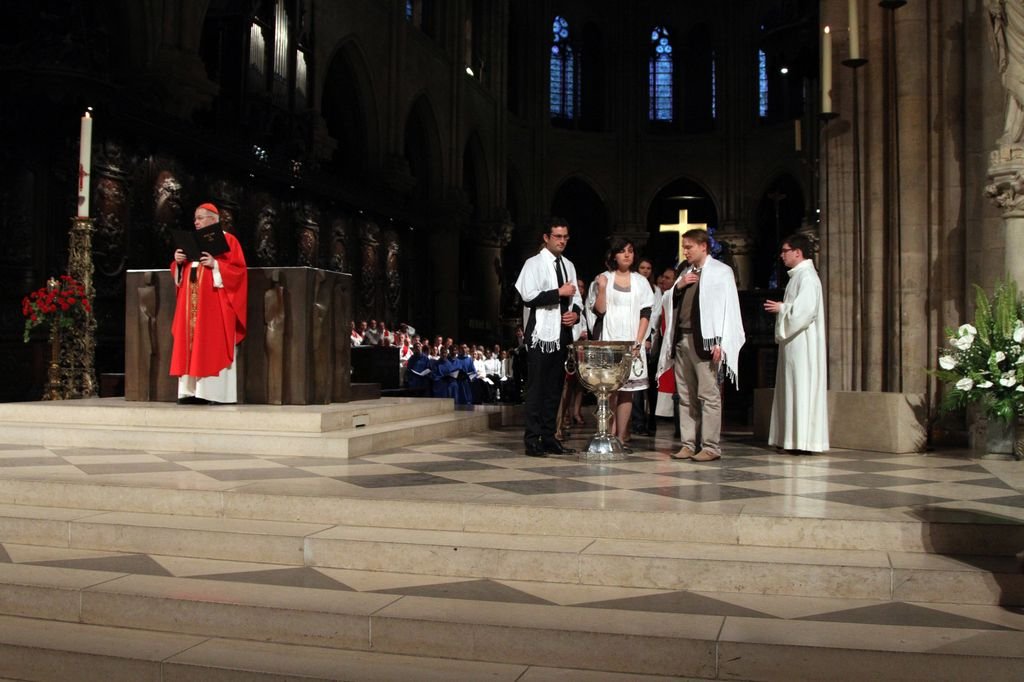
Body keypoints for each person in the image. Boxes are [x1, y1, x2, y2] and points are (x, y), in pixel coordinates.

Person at [656, 228, 745, 462]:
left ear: (703, 246)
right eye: (684, 247)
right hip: (682, 339)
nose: (685, 251)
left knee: (708, 395)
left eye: (689, 247)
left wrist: (722, 342)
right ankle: (687, 444)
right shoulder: (684, 272)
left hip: (705, 342)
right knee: (685, 396)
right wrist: (679, 286)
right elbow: (667, 300)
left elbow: (729, 309)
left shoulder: (720, 272)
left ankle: (710, 446)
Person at [514, 217, 582, 456]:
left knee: (555, 388)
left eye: (565, 237)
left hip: (562, 333)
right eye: (557, 236)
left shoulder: (569, 265)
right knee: (537, 388)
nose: (562, 241)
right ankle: (532, 439)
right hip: (540, 333)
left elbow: (577, 299)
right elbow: (528, 296)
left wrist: (574, 313)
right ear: (546, 237)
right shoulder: (534, 263)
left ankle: (549, 437)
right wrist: (558, 293)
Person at [170, 202, 248, 404]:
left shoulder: (229, 241)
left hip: (215, 307)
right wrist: (178, 262)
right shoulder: (191, 242)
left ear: (214, 219)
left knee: (209, 345)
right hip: (191, 307)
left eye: (200, 217)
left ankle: (212, 394)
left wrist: (216, 266)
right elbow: (183, 274)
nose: (196, 222)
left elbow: (238, 272)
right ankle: (190, 392)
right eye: (195, 218)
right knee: (189, 344)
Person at [764, 234, 829, 453]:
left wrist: (782, 308)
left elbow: (805, 312)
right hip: (794, 342)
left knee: (801, 387)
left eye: (785, 251)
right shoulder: (798, 276)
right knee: (791, 388)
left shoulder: (808, 277)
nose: (782, 255)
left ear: (797, 252)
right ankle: (791, 440)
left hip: (803, 343)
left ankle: (802, 442)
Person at [588, 238, 654, 451]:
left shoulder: (640, 282)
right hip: (609, 340)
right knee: (609, 390)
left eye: (631, 251)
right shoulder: (603, 278)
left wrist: (638, 342)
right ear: (614, 255)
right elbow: (598, 311)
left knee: (627, 391)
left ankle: (621, 436)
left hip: (632, 342)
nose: (627, 255)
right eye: (622, 251)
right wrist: (602, 289)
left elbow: (646, 313)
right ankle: (607, 435)